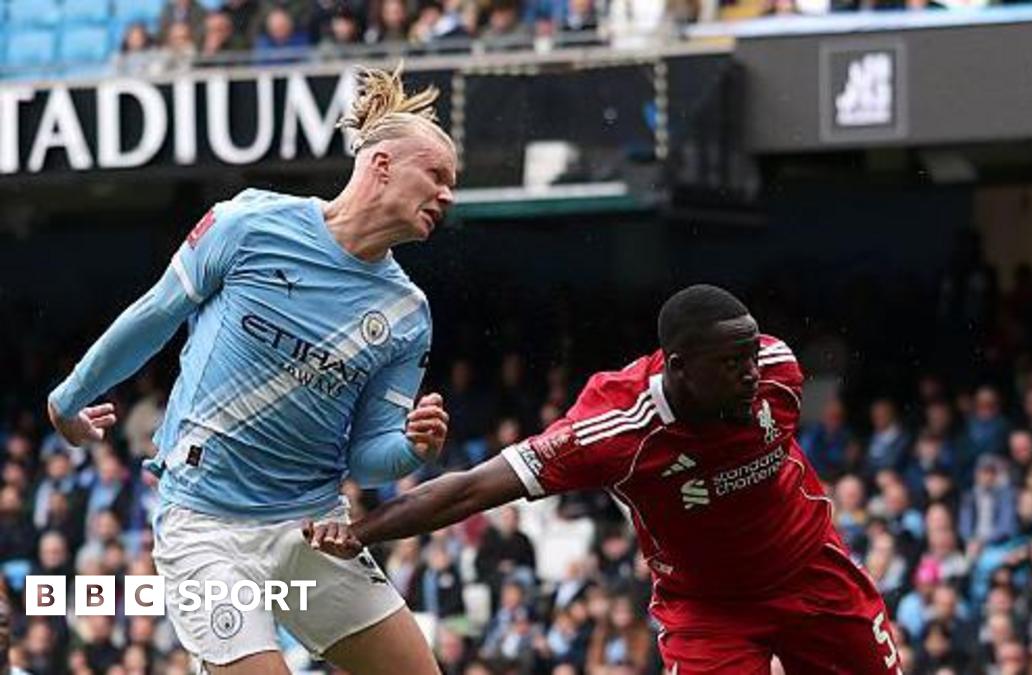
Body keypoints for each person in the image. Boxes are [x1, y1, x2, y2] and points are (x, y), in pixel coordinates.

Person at [46, 65, 456, 675]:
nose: (448, 194)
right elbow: (155, 315)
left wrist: (411, 450)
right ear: (381, 165)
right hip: (206, 526)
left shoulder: (407, 313)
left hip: (312, 528)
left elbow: (367, 458)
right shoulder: (250, 223)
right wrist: (68, 397)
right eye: (438, 175)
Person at [307, 284, 903, 674]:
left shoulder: (777, 372)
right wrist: (362, 530)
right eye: (731, 363)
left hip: (813, 576)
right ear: (678, 368)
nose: (751, 372)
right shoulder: (612, 431)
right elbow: (471, 488)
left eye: (751, 354)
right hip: (708, 610)